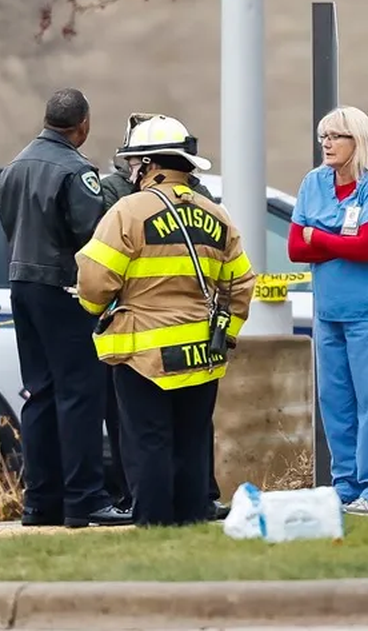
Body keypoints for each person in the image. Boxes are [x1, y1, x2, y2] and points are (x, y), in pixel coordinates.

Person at [76, 115, 257, 527]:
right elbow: (241, 284)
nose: (132, 171)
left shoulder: (128, 212)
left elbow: (94, 280)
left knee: (147, 442)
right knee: (193, 441)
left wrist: (95, 309)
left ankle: (154, 525)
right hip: (201, 355)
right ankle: (192, 520)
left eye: (135, 163)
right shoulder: (217, 215)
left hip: (145, 356)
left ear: (149, 165)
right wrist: (223, 335)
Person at [0, 87, 133, 529]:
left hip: (22, 285)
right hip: (62, 289)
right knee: (81, 394)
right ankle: (85, 499)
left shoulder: (14, 167)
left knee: (39, 393)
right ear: (83, 125)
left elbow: (6, 221)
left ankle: (40, 502)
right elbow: (92, 237)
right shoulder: (76, 171)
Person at [287, 106, 368, 517]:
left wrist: (317, 235)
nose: (327, 143)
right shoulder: (313, 183)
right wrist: (334, 238)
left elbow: (367, 248)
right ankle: (346, 486)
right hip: (329, 312)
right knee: (335, 400)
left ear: (359, 142)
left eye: (337, 136)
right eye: (324, 135)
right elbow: (293, 248)